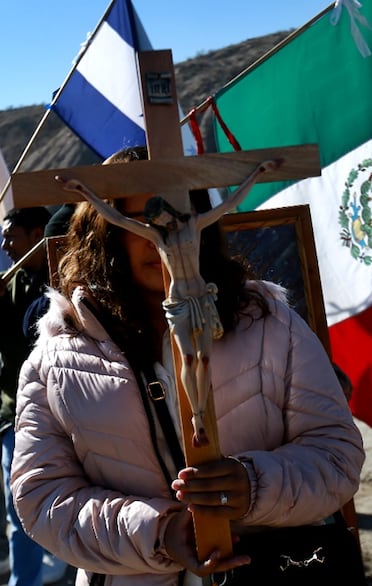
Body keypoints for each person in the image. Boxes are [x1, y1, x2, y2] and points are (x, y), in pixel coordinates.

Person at [10, 146, 365, 585]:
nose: (161, 233)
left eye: (180, 213)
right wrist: (156, 532)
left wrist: (255, 485)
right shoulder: (57, 358)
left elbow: (336, 454)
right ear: (107, 229)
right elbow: (41, 497)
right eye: (140, 219)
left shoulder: (271, 326)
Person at [57, 158, 280, 448]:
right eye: (144, 220)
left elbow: (229, 203)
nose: (154, 225)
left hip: (202, 297)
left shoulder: (195, 225)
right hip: (179, 302)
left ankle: (201, 417)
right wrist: (85, 192)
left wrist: (257, 172)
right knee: (187, 358)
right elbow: (116, 218)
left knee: (206, 358)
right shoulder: (156, 236)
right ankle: (197, 417)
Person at [0, 206, 66, 585]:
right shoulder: (8, 284)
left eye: (11, 236)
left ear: (38, 233)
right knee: (19, 504)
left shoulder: (68, 272)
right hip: (19, 412)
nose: (4, 244)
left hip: (69, 412)